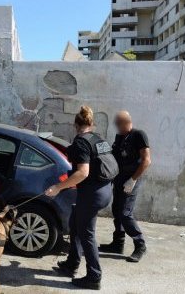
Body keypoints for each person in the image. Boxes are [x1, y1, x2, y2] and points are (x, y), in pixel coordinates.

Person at [45, 105, 114, 290]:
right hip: (105, 190)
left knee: (87, 234)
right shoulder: (99, 139)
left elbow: (83, 172)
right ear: (92, 124)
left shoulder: (81, 142)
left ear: (75, 124)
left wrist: (58, 188)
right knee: (76, 223)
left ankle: (94, 277)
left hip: (92, 194)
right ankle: (71, 264)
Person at [99, 110, 151, 263]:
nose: (117, 127)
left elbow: (146, 160)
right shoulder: (120, 136)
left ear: (127, 122)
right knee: (116, 210)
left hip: (131, 181)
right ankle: (118, 243)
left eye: (119, 124)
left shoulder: (139, 135)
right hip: (119, 179)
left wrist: (133, 179)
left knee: (125, 214)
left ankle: (140, 245)